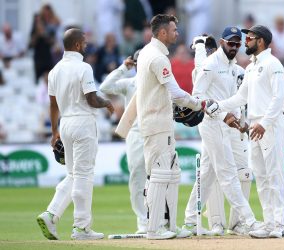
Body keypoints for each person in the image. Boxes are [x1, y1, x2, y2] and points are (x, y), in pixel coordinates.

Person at [210, 25, 284, 238]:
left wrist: (265, 123)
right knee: (261, 176)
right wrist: (217, 106)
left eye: (249, 38)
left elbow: (278, 98)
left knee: (274, 174)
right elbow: (240, 98)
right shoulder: (252, 67)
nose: (245, 42)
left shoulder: (273, 64)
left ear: (260, 41)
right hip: (255, 125)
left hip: (270, 125)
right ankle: (269, 223)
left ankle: (280, 225)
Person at [36, 28, 114, 240]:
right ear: (78, 45)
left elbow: (53, 105)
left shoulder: (54, 71)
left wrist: (54, 132)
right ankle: (81, 228)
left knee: (73, 175)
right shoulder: (84, 67)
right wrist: (106, 102)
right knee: (83, 175)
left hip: (65, 124)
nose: (87, 46)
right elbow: (91, 99)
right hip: (83, 123)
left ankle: (51, 214)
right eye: (85, 42)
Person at [182, 27, 261, 236]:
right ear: (221, 42)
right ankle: (249, 221)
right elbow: (196, 96)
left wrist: (239, 121)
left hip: (225, 125)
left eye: (237, 44)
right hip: (210, 124)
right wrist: (222, 115)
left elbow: (232, 97)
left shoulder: (233, 66)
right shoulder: (210, 65)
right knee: (227, 174)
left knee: (207, 174)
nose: (234, 47)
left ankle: (190, 220)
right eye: (230, 43)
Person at [136, 14, 206, 240]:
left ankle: (171, 225)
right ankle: (154, 229)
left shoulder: (149, 52)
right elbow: (175, 92)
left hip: (160, 122)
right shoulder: (157, 58)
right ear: (163, 32)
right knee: (159, 174)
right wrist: (198, 103)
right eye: (174, 30)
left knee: (172, 173)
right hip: (156, 124)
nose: (177, 33)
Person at [99, 50, 148, 234]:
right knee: (137, 177)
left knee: (160, 177)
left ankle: (162, 220)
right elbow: (104, 87)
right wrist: (123, 68)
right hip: (135, 133)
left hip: (156, 131)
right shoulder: (130, 83)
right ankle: (143, 222)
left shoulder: (160, 79)